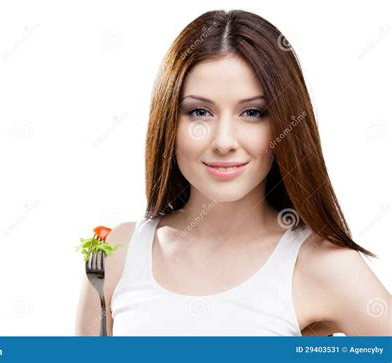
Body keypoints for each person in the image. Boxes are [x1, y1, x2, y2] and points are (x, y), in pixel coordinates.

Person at [75, 9, 390, 336]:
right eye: (199, 111)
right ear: (169, 119)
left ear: (284, 123)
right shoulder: (114, 253)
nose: (223, 141)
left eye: (252, 112)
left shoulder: (322, 264)